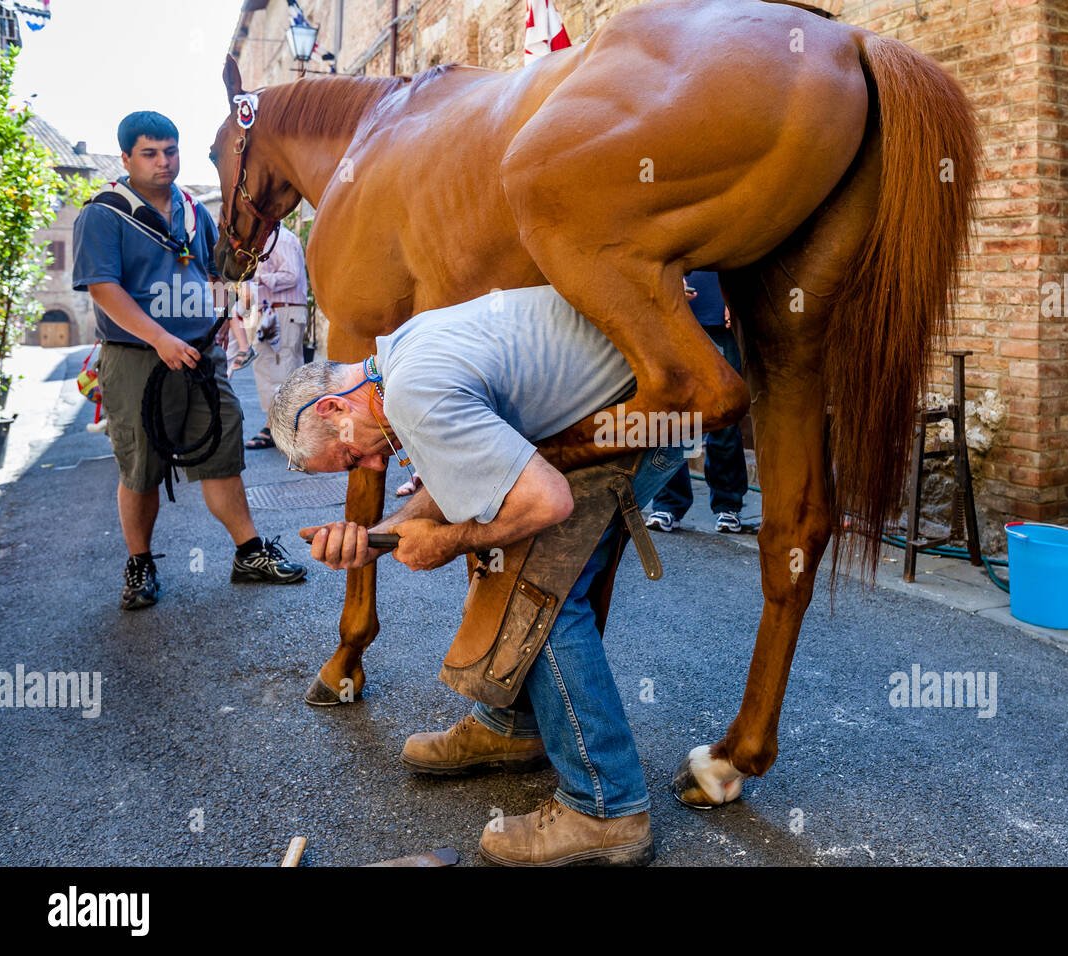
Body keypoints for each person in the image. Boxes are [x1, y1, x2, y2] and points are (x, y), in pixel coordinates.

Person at [270, 285, 684, 867]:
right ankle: (512, 728)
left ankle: (607, 808)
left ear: (332, 408)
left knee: (540, 592)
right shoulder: (397, 360)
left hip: (645, 417)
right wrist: (376, 540)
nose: (372, 465)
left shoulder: (412, 393)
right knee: (507, 561)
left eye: (348, 458)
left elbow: (548, 504)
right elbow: (463, 468)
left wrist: (447, 541)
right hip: (620, 401)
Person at [72, 111, 306, 611]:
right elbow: (103, 288)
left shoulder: (195, 210)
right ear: (126, 158)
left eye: (171, 151)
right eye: (150, 153)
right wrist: (160, 339)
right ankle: (140, 565)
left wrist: (222, 311)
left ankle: (248, 553)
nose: (164, 162)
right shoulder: (103, 212)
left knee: (221, 454)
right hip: (138, 357)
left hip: (201, 353)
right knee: (141, 466)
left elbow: (212, 270)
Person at [644, 270, 750, 533]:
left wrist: (737, 296)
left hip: (718, 314)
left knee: (725, 415)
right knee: (671, 414)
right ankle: (668, 505)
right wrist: (669, 277)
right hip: (673, 315)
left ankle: (728, 507)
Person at [243, 225, 308, 450]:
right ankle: (278, 425)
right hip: (276, 311)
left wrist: (259, 276)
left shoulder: (282, 240)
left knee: (282, 369)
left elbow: (292, 275)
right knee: (270, 368)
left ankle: (281, 428)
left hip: (284, 311)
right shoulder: (271, 240)